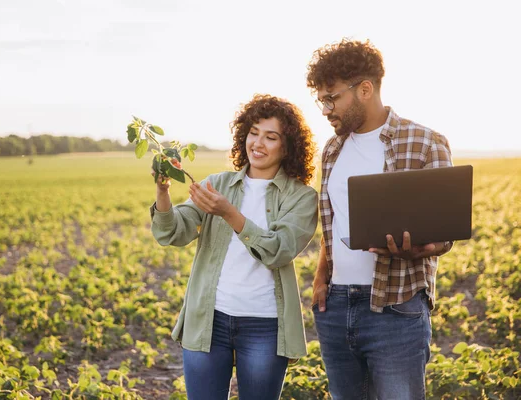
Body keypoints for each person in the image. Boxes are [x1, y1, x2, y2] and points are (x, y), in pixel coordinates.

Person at [306, 38, 454, 399]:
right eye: (321, 100)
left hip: (397, 308)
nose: (325, 109)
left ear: (365, 89)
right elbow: (333, 222)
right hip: (337, 307)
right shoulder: (332, 149)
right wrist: (321, 276)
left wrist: (418, 249)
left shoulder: (425, 142)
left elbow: (445, 233)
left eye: (332, 97)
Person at [150, 94, 319, 400]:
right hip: (208, 319)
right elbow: (174, 231)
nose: (258, 143)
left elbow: (279, 250)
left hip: (265, 326)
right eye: (253, 133)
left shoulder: (301, 197)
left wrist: (229, 212)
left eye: (271, 137)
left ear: (287, 146)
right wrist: (163, 192)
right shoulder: (219, 183)